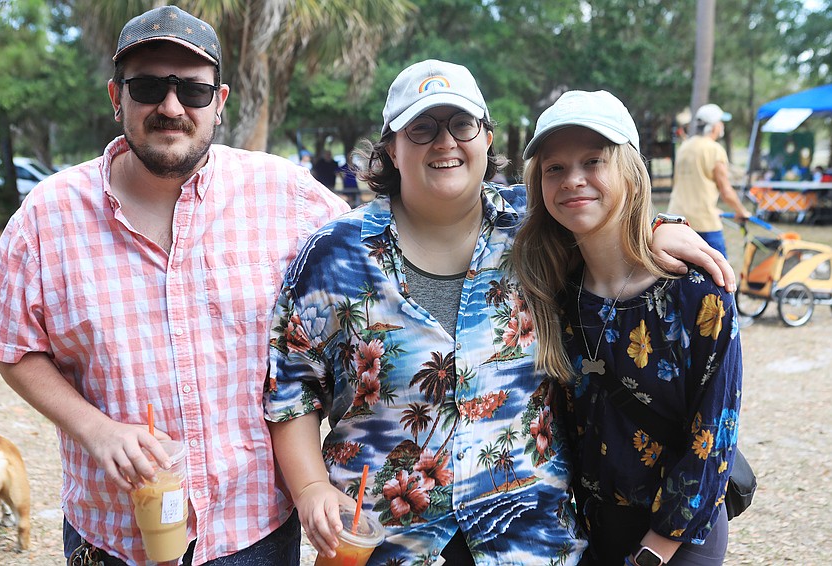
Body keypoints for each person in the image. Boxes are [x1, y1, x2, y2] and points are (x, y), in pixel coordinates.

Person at [264, 60, 734, 565]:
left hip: (528, 540)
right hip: (386, 542)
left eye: (461, 124)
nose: (444, 142)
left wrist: (659, 228)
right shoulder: (335, 255)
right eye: (421, 128)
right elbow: (291, 387)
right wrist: (311, 486)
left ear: (486, 138)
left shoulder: (536, 230)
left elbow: (607, 215)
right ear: (391, 151)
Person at [0, 6, 349, 566]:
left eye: (193, 92)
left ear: (220, 103)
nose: (171, 107)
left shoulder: (288, 197)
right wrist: (95, 429)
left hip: (251, 533)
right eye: (150, 86)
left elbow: (377, 264)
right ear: (116, 97)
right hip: (113, 536)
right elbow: (12, 347)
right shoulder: (46, 217)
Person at [513, 90, 742, 566]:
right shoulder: (553, 288)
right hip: (591, 528)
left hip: (678, 538)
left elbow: (714, 437)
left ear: (630, 173)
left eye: (593, 160)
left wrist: (654, 550)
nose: (573, 179)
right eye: (554, 168)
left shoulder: (697, 295)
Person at [667, 103, 753, 258]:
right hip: (703, 223)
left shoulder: (684, 147)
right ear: (714, 127)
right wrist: (741, 211)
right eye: (721, 123)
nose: (722, 126)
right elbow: (726, 191)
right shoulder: (714, 149)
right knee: (720, 272)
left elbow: (688, 184)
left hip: (676, 219)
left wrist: (713, 208)